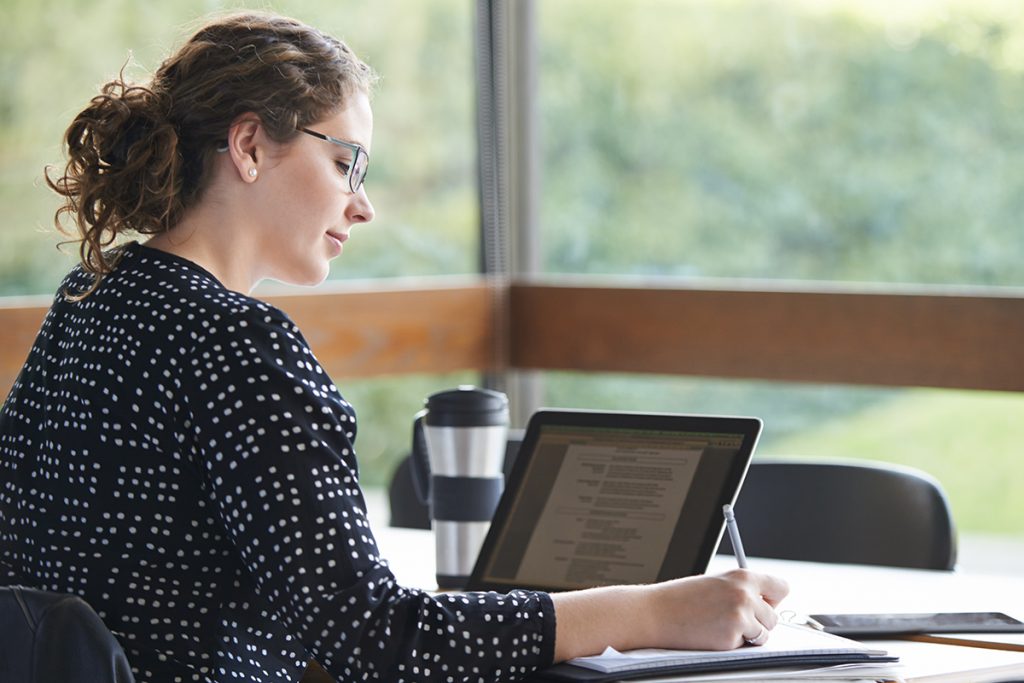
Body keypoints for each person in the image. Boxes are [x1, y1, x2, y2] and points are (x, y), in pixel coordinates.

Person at [0, 11, 788, 683]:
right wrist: (649, 608)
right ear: (248, 146)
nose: (363, 204)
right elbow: (373, 637)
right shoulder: (237, 343)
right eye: (347, 162)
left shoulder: (88, 305)